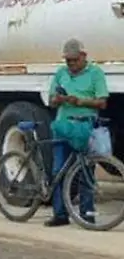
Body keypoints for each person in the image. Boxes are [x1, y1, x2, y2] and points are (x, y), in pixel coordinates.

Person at [45, 38, 108, 227]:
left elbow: (102, 101)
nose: (71, 64)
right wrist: (57, 99)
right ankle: (60, 214)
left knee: (86, 169)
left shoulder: (95, 73)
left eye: (74, 60)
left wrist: (79, 101)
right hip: (63, 125)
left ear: (83, 56)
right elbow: (50, 101)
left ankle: (87, 214)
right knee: (58, 170)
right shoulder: (60, 73)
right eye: (68, 61)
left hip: (85, 126)